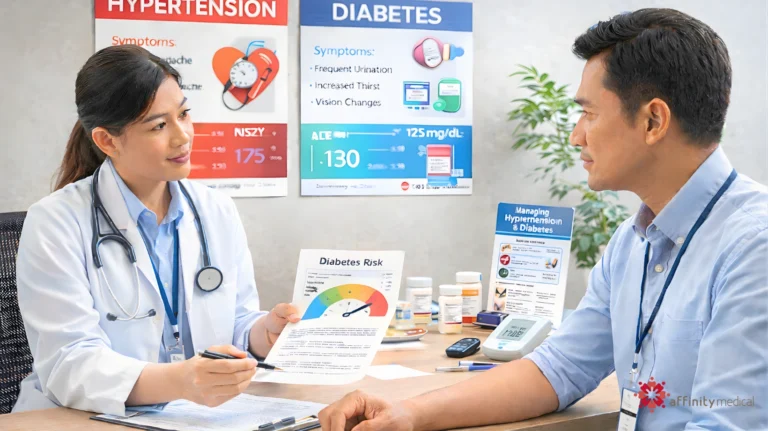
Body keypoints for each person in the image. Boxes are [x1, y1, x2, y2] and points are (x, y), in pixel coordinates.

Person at [318, 8, 767, 431]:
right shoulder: (633, 243)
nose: (576, 135)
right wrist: (407, 414)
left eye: (589, 113)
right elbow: (558, 368)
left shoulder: (754, 248)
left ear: (653, 121)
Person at [12, 45, 300, 417]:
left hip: (194, 418)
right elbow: (69, 364)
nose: (183, 137)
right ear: (107, 141)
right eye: (159, 126)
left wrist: (265, 332)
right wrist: (181, 381)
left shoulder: (216, 210)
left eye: (184, 114)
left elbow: (236, 323)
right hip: (82, 419)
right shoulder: (55, 222)